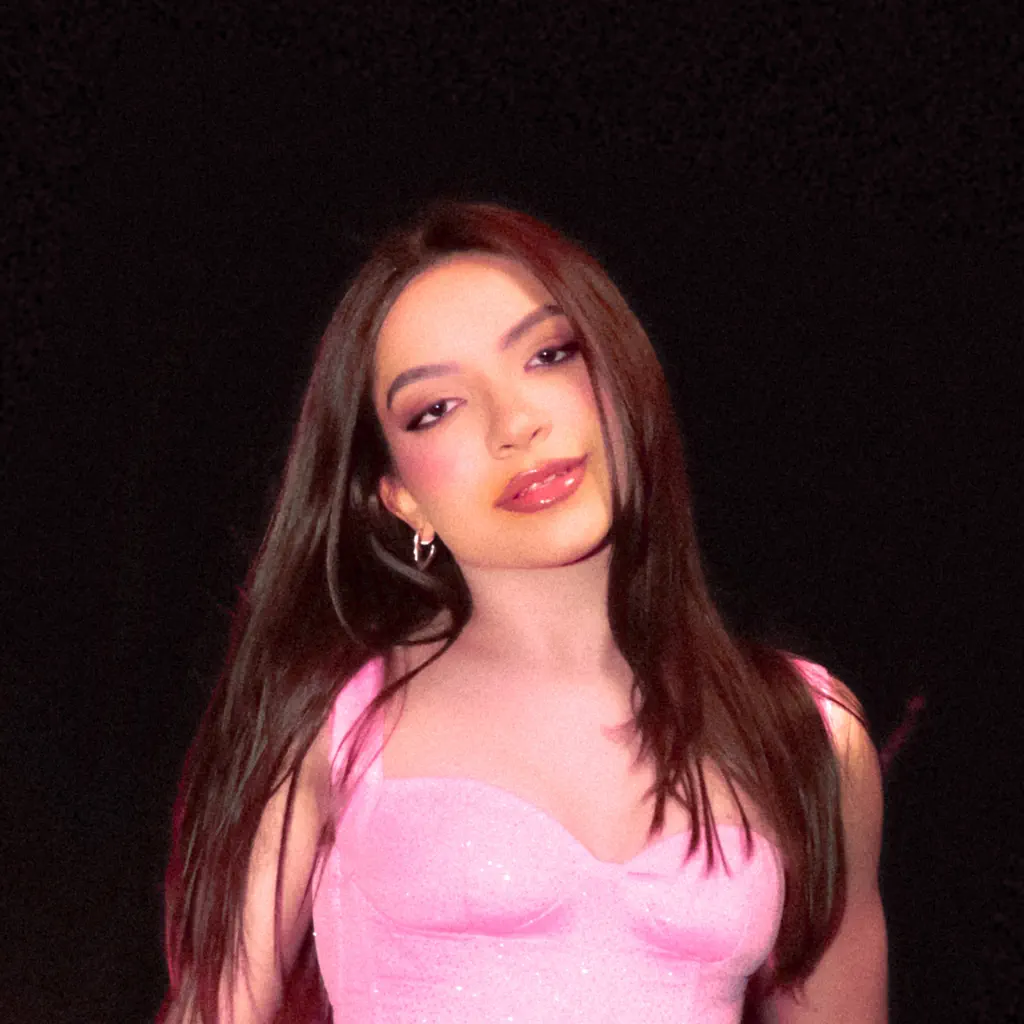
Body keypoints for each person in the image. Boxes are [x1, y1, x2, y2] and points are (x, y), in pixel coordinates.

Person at [158, 201, 887, 1023]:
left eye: (548, 355)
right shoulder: (333, 718)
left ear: (618, 375)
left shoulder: (806, 736)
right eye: (436, 408)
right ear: (398, 497)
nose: (517, 425)